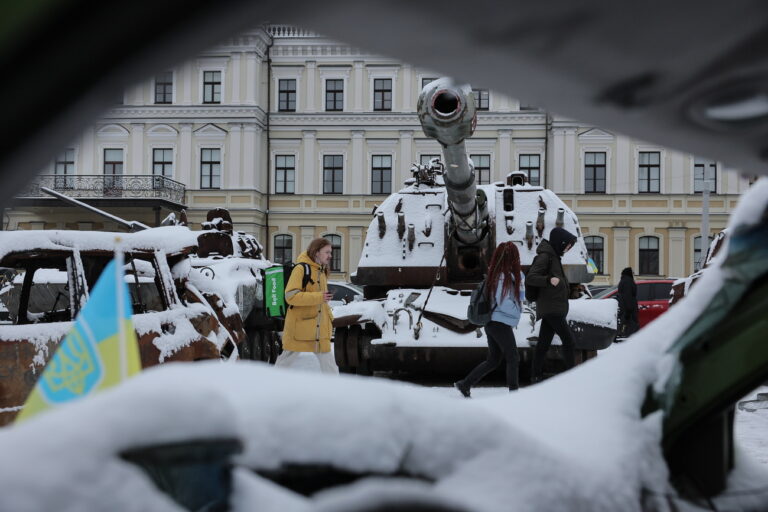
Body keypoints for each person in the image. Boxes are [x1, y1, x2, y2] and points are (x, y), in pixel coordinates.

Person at [455, 242, 525, 397]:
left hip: (492, 323)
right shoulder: (502, 277)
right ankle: (515, 393)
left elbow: (518, 296)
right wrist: (518, 310)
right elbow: (503, 301)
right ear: (510, 258)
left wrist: (520, 283)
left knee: (493, 360)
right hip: (499, 323)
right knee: (513, 357)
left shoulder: (500, 274)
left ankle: (465, 384)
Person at [275, 237, 339, 374]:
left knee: (330, 365)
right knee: (285, 361)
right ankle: (269, 387)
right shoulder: (301, 269)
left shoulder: (321, 271)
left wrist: (329, 318)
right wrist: (319, 297)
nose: (330, 256)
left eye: (330, 252)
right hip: (299, 328)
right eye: (327, 252)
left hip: (318, 329)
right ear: (317, 252)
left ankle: (335, 392)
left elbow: (321, 303)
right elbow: (290, 296)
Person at [526, 227, 578, 383]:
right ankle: (572, 376)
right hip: (551, 309)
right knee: (569, 341)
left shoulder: (554, 257)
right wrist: (548, 279)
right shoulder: (545, 256)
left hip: (553, 308)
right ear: (560, 242)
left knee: (543, 344)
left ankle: (535, 375)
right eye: (567, 245)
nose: (568, 249)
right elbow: (531, 277)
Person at [617, 267, 639, 336]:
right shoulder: (628, 282)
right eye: (632, 273)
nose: (633, 274)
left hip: (624, 307)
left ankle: (623, 334)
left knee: (625, 324)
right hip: (628, 309)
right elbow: (628, 296)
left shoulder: (624, 280)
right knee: (630, 325)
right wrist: (629, 310)